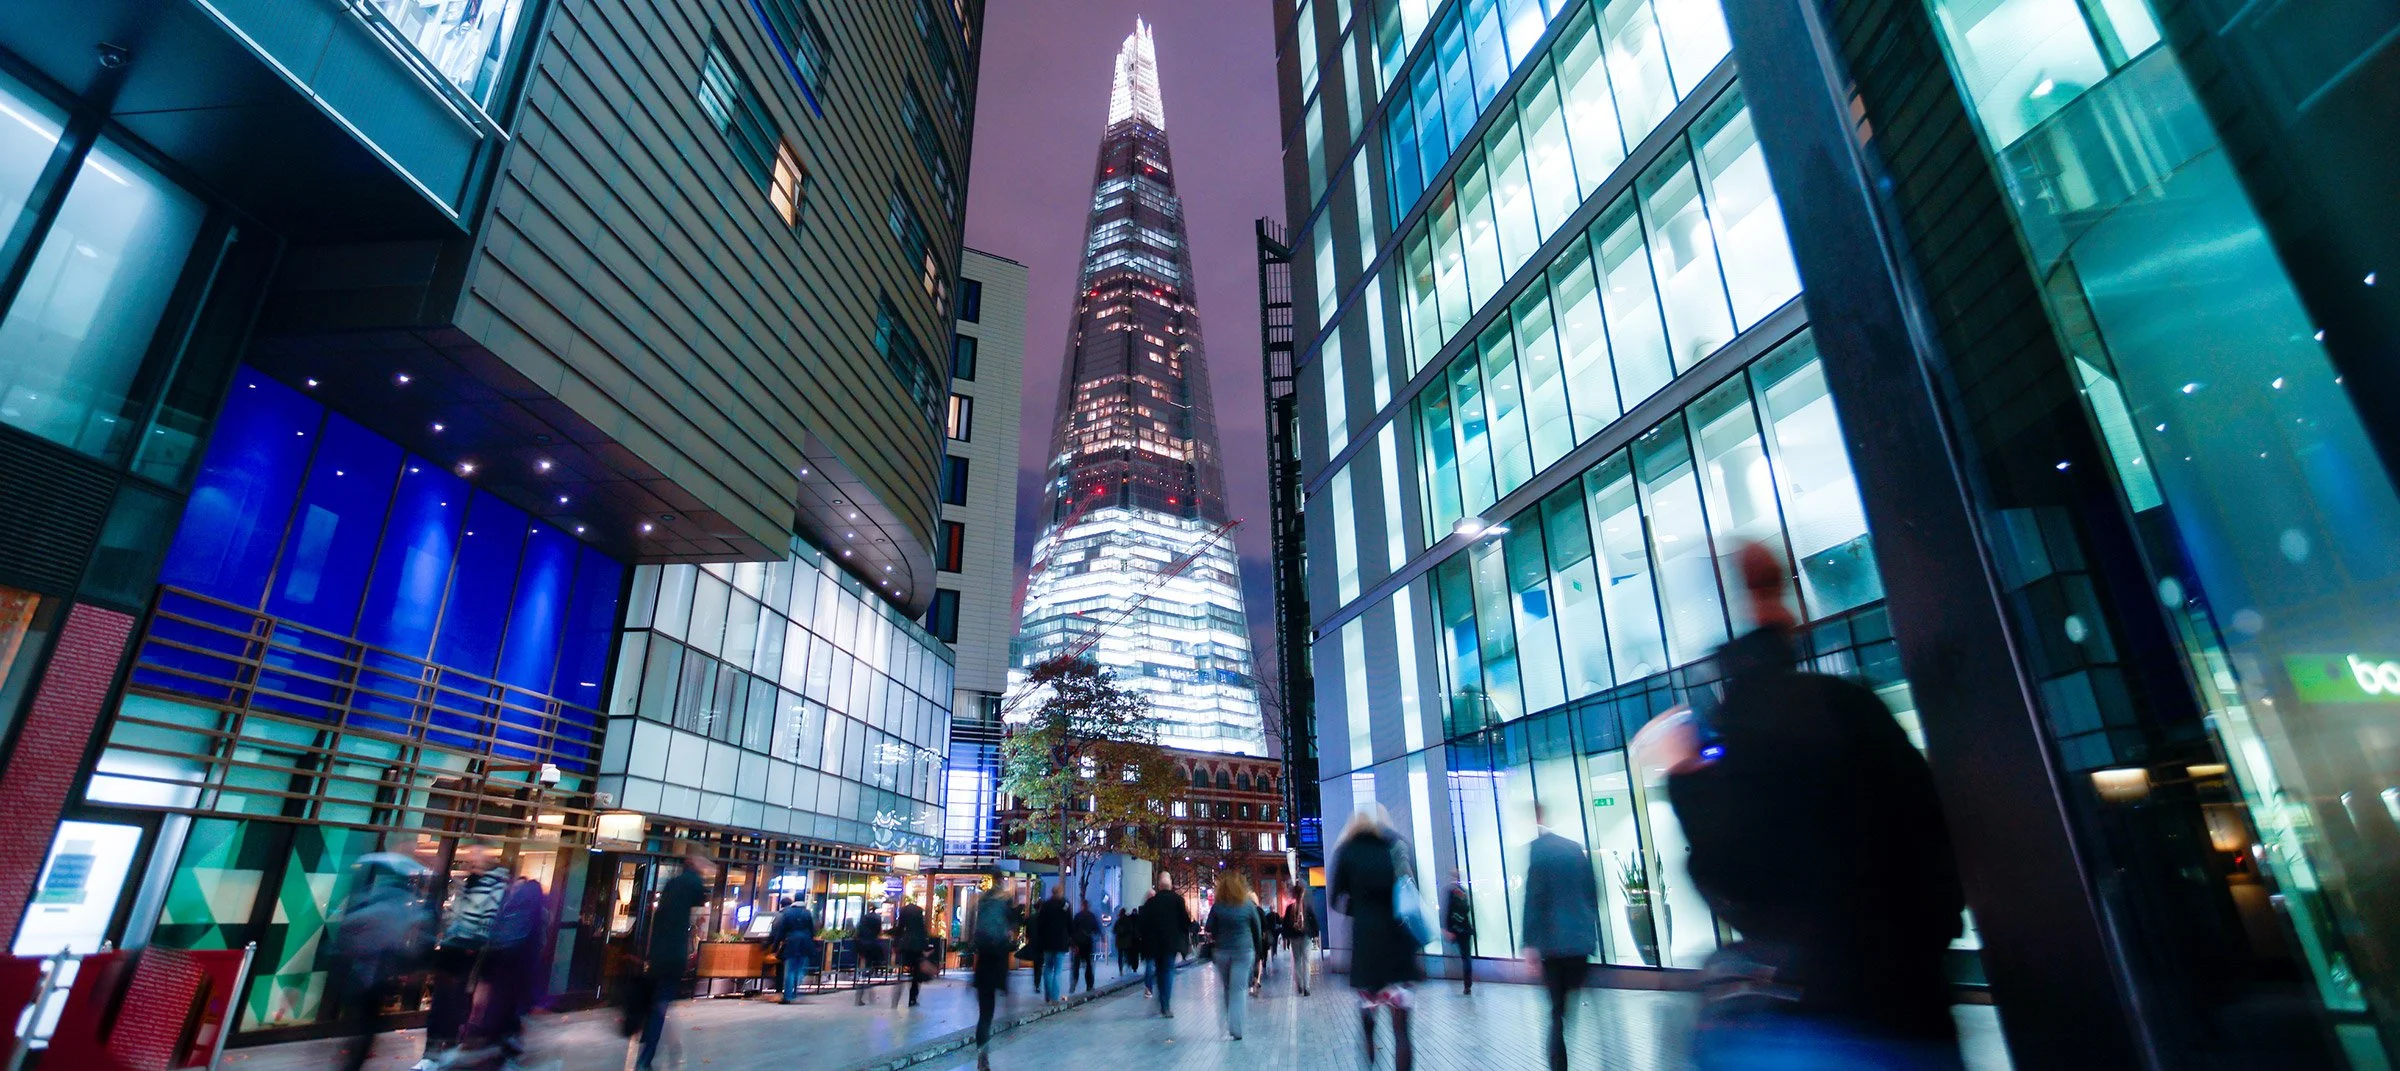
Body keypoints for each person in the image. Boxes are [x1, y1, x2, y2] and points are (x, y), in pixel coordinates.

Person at [1659, 543, 1965, 1069]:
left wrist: (1686, 781)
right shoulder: (1851, 705)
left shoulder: (1736, 732)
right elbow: (1935, 843)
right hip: (1907, 1006)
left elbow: (1732, 875)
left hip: (1811, 1015)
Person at [1332, 809, 1423, 1071]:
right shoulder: (1399, 846)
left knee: (1368, 1023)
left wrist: (1359, 908)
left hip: (1367, 950)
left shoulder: (1347, 851)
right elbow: (1414, 890)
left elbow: (1335, 899)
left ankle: (1371, 1061)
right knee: (1402, 1031)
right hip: (1398, 947)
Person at [1521, 804, 1601, 1071]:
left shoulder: (1538, 850)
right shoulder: (1575, 848)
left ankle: (1558, 1066)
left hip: (1553, 946)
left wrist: (1529, 944)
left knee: (1556, 1014)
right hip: (1579, 942)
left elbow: (1534, 897)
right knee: (1571, 1005)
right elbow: (1592, 892)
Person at [333, 854, 430, 1071]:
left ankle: (352, 1061)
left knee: (362, 1023)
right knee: (367, 1026)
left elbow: (352, 927)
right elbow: (407, 938)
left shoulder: (372, 897)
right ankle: (353, 1061)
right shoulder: (399, 903)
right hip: (375, 972)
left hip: (363, 970)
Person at [418, 846, 509, 1070]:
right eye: (469, 859)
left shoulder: (495, 885)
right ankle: (433, 1054)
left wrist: (475, 940)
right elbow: (457, 912)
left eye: (475, 857)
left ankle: (448, 1050)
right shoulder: (470, 883)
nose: (471, 862)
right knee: (442, 1002)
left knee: (457, 1001)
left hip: (471, 949)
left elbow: (490, 918)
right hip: (454, 947)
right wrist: (449, 930)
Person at [459, 873, 549, 1067]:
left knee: (495, 1023)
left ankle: (494, 1050)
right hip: (513, 987)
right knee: (506, 1023)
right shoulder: (534, 918)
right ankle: (504, 1051)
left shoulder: (507, 914)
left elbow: (492, 947)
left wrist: (483, 979)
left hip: (497, 982)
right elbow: (535, 953)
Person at [638, 848, 714, 1071]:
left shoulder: (672, 885)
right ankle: (649, 1053)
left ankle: (657, 1047)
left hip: (659, 954)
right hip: (672, 956)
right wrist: (702, 870)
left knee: (659, 1003)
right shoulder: (690, 884)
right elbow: (700, 893)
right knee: (661, 1004)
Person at [1205, 874, 1264, 1040]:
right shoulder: (1247, 905)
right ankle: (1235, 1027)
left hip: (1222, 952)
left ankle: (1227, 1021)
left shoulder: (1218, 906)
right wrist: (1258, 952)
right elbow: (1256, 930)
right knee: (1238, 989)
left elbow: (1209, 927)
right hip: (1244, 952)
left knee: (1227, 987)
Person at [969, 886, 1015, 1070]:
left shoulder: (982, 908)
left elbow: (976, 942)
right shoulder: (1003, 915)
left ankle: (982, 1054)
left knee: (984, 1016)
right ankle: (984, 1056)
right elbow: (1008, 946)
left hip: (982, 972)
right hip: (996, 972)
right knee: (988, 1013)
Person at [1138, 873, 1192, 1017]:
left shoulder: (1151, 903)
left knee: (1160, 970)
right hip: (1171, 944)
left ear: (1159, 886)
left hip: (1154, 945)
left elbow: (1142, 924)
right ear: (1171, 885)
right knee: (1168, 971)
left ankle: (1161, 999)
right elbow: (1185, 923)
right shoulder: (1178, 900)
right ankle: (1165, 1005)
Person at [767, 897, 818, 1003]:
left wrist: (775, 947)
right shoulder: (807, 913)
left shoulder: (788, 913)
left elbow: (781, 931)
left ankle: (787, 996)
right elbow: (812, 930)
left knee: (790, 970)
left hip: (791, 943)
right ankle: (795, 992)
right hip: (805, 943)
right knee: (799, 969)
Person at [1033, 885, 1072, 1002]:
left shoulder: (1046, 905)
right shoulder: (1065, 905)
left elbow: (1040, 924)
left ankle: (1048, 995)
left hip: (1047, 942)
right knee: (1058, 970)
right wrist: (1071, 939)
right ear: (1060, 892)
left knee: (1048, 969)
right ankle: (1055, 997)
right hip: (1060, 942)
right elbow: (1070, 923)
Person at [891, 897, 930, 1008]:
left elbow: (899, 929)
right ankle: (912, 998)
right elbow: (923, 930)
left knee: (902, 970)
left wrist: (896, 943)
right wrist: (925, 947)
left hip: (906, 945)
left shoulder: (903, 914)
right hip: (917, 946)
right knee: (916, 974)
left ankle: (896, 998)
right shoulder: (919, 915)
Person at [1443, 880, 1477, 995]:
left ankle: (1467, 984)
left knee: (1464, 957)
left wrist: (1448, 929)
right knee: (1466, 957)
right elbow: (1468, 909)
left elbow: (1448, 911)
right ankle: (1467, 985)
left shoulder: (1451, 893)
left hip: (1458, 931)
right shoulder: (1465, 893)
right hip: (1465, 930)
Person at [852, 901, 887, 1004]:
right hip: (872, 944)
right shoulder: (877, 918)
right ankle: (867, 979)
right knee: (870, 965)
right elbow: (879, 931)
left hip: (861, 944)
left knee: (863, 963)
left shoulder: (864, 917)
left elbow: (858, 930)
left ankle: (862, 978)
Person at [1282, 894, 1316, 996]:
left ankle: (1300, 985)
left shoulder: (1289, 908)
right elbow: (1314, 921)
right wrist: (1314, 934)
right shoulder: (1307, 906)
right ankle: (1307, 987)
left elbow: (1285, 924)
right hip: (1306, 936)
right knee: (1306, 961)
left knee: (1297, 961)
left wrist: (1287, 936)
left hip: (1294, 937)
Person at [1070, 898, 1101, 994]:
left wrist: (1073, 944)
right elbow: (1096, 929)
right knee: (1088, 965)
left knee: (1076, 965)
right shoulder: (1092, 916)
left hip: (1078, 944)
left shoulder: (1077, 916)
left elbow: (1072, 931)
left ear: (1082, 906)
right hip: (1088, 943)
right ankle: (1089, 985)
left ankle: (1074, 982)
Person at [1114, 903, 1144, 984]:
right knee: (1128, 954)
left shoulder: (1119, 920)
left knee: (1121, 955)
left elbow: (1114, 930)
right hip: (1127, 941)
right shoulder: (1129, 920)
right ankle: (1129, 965)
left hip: (1120, 941)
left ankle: (1121, 968)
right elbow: (1131, 929)